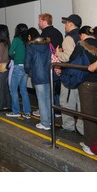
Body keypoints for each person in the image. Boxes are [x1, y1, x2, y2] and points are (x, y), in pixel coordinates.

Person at [69, 26, 97, 156]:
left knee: (88, 114)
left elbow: (72, 60)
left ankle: (90, 145)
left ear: (81, 35)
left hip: (87, 83)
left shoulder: (81, 44)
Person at [56, 14, 83, 134]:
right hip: (82, 75)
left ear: (71, 24)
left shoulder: (68, 38)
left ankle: (69, 126)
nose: (65, 25)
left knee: (66, 102)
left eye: (66, 23)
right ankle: (82, 129)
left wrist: (58, 53)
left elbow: (68, 57)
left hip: (70, 76)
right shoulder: (82, 36)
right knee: (81, 104)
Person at [24, 28, 52, 130]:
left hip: (37, 75)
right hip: (48, 75)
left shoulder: (30, 47)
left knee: (41, 100)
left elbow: (27, 64)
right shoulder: (47, 46)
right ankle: (49, 120)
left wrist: (30, 71)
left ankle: (45, 123)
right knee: (48, 99)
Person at [38, 13, 64, 118]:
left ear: (44, 21)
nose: (38, 23)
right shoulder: (58, 32)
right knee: (57, 88)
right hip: (58, 64)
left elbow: (42, 52)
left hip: (48, 65)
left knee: (49, 89)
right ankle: (58, 110)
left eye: (39, 20)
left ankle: (49, 112)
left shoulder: (44, 34)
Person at [6, 23, 31, 118]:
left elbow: (10, 52)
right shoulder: (26, 41)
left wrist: (15, 54)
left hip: (17, 67)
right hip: (25, 67)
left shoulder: (16, 40)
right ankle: (27, 112)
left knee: (13, 89)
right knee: (24, 90)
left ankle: (16, 111)